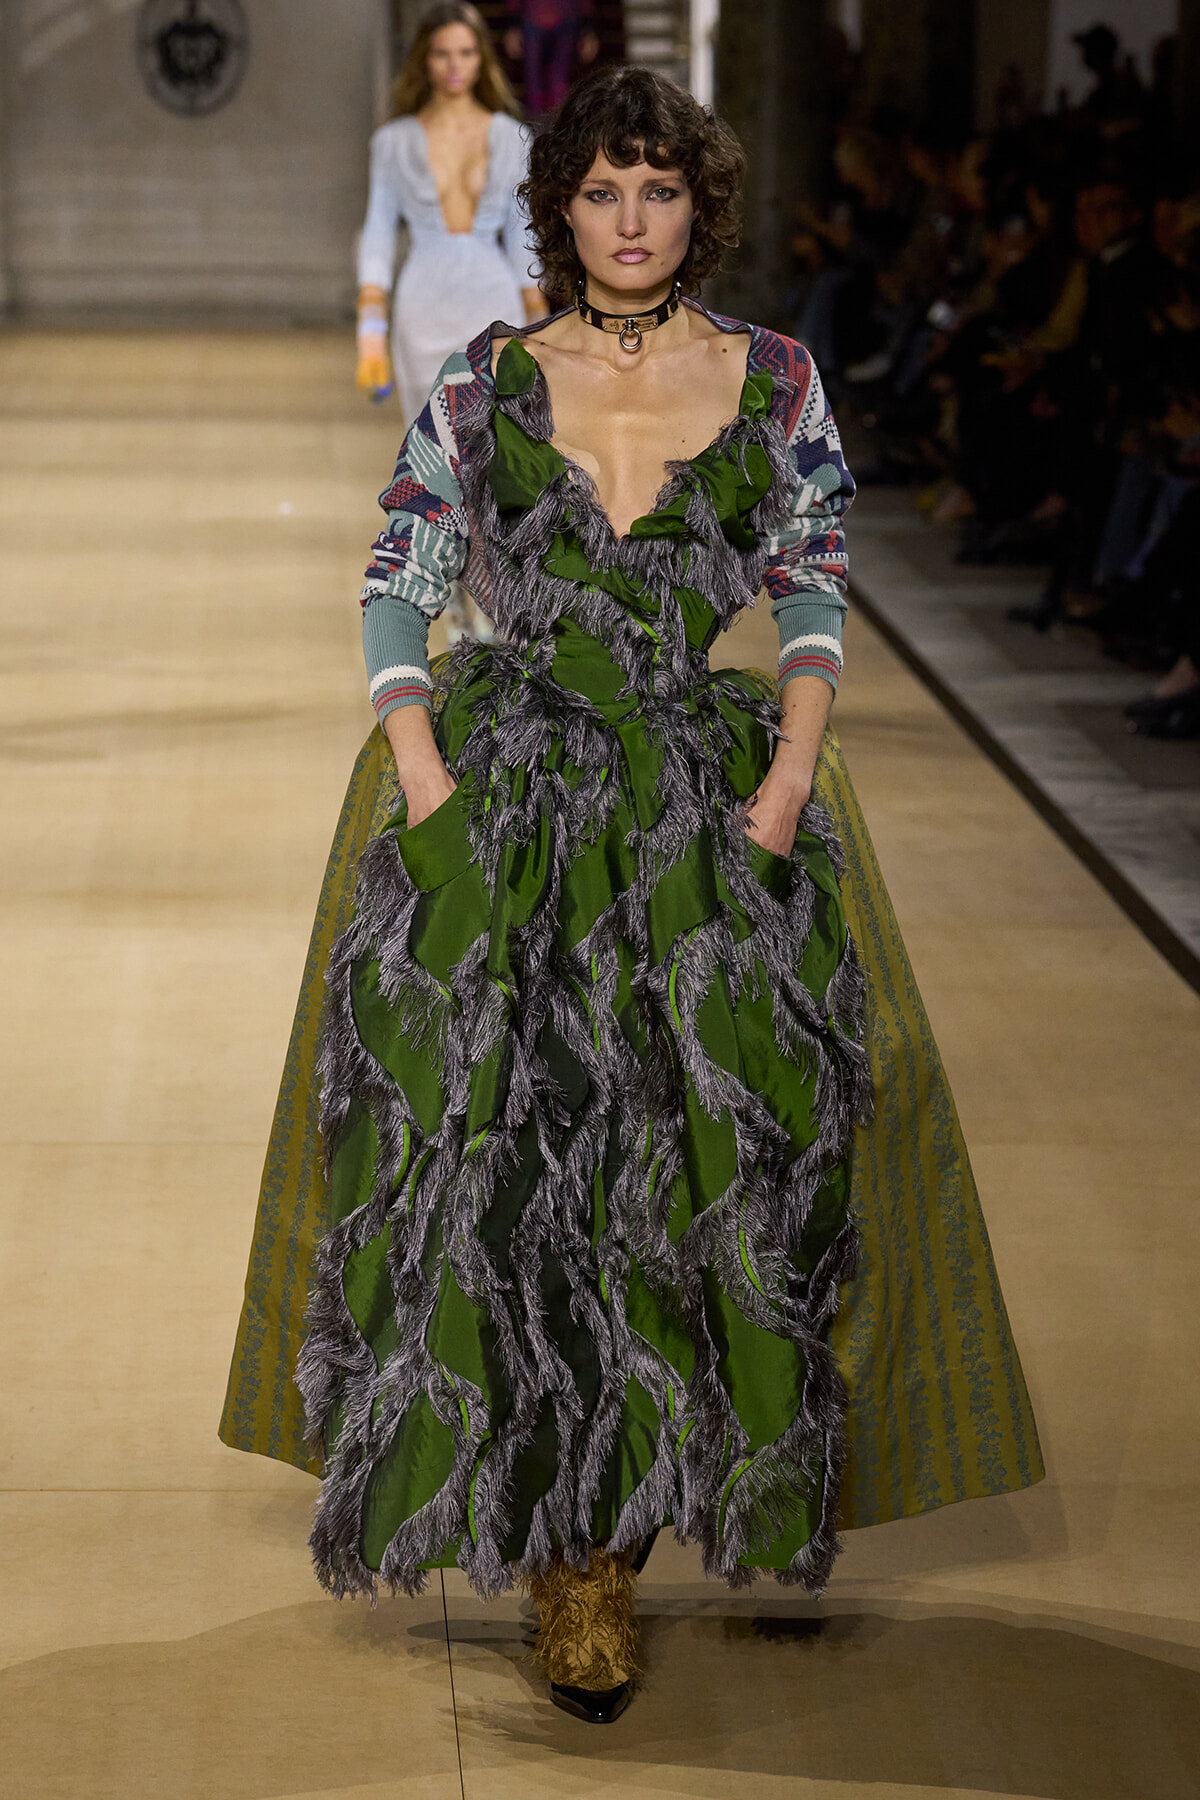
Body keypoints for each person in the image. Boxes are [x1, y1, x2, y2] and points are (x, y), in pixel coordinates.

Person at [222, 66, 1042, 1726]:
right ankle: (569, 1557)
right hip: (512, 803)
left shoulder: (777, 379)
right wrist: (425, 767)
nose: (630, 221)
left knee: (691, 1168)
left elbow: (813, 588)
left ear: (702, 206)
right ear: (563, 205)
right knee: (511, 1167)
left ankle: (656, 1502)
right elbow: (400, 579)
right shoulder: (483, 380)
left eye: (660, 192)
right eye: (603, 191)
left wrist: (790, 783)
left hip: (705, 805)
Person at [354, 2, 546, 425]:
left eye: (466, 52)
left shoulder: (513, 137)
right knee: (427, 443)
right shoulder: (394, 142)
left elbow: (522, 232)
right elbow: (378, 230)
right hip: (422, 303)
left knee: (497, 441)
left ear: (482, 58)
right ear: (425, 59)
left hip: (494, 300)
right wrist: (370, 328)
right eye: (442, 53)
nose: (454, 65)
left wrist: (540, 325)